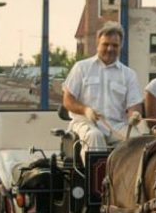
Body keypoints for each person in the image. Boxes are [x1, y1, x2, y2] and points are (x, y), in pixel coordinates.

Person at [62, 23, 145, 153]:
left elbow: (134, 105)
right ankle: (99, 174)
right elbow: (68, 100)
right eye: (106, 44)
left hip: (117, 126)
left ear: (121, 46)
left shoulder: (129, 75)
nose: (110, 49)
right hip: (86, 123)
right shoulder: (81, 68)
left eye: (115, 45)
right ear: (97, 43)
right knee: (95, 136)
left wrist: (134, 116)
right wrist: (85, 110)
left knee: (137, 140)